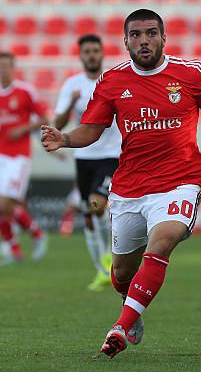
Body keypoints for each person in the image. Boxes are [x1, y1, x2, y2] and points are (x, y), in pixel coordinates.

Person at [40, 9, 201, 358]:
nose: (144, 40)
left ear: (164, 38)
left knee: (162, 241)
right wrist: (65, 138)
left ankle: (119, 325)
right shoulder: (112, 81)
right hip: (129, 188)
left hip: (179, 182)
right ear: (125, 42)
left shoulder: (190, 73)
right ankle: (130, 302)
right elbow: (92, 129)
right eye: (136, 35)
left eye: (152, 33)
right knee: (121, 272)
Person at [54, 34, 122, 291]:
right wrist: (71, 103)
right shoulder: (72, 85)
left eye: (95, 50)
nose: (92, 55)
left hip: (110, 156)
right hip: (84, 157)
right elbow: (58, 125)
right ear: (81, 55)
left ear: (102, 53)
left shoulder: (113, 81)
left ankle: (108, 258)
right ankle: (101, 271)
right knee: (89, 217)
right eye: (87, 51)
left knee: (97, 205)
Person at [0, 51, 49, 265]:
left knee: (6, 203)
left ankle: (37, 234)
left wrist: (23, 128)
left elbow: (44, 118)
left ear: (13, 68)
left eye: (7, 66)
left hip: (19, 156)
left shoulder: (26, 92)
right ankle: (14, 250)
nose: (3, 70)